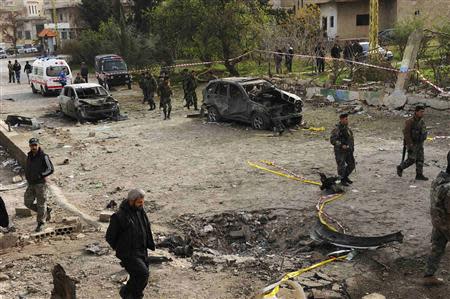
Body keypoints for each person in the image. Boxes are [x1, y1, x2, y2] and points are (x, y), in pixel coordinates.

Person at [106, 189, 155, 299]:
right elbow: (110, 237)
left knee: (141, 276)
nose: (141, 205)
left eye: (142, 202)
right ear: (131, 201)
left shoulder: (141, 212)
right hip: (129, 253)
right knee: (143, 274)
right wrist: (122, 248)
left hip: (142, 251)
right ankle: (126, 292)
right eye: (139, 202)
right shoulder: (119, 216)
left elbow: (145, 227)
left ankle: (135, 296)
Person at [423, 151, 450, 286]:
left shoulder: (439, 179)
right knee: (437, 247)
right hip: (447, 224)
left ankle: (429, 275)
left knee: (437, 248)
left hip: (438, 222)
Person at [24, 138, 54, 232]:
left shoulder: (44, 156)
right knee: (27, 202)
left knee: (41, 204)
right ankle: (46, 210)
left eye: (35, 145)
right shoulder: (29, 156)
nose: (34, 147)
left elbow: (51, 169)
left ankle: (41, 223)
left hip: (41, 184)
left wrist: (40, 175)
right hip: (31, 184)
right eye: (32, 145)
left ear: (38, 145)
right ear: (29, 146)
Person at [397, 105, 428, 180]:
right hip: (412, 143)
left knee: (420, 159)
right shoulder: (409, 121)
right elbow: (406, 134)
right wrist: (410, 145)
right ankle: (401, 167)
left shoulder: (422, 121)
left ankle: (419, 174)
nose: (422, 113)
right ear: (416, 112)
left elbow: (423, 131)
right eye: (421, 112)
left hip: (419, 143)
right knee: (411, 159)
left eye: (423, 112)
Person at [330, 113, 355, 186]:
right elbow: (332, 140)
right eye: (345, 119)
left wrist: (351, 147)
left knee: (351, 165)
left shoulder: (347, 128)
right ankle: (342, 180)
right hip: (340, 151)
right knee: (341, 166)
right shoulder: (337, 129)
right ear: (341, 119)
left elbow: (350, 138)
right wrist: (341, 145)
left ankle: (345, 177)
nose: (347, 120)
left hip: (348, 150)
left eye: (347, 119)